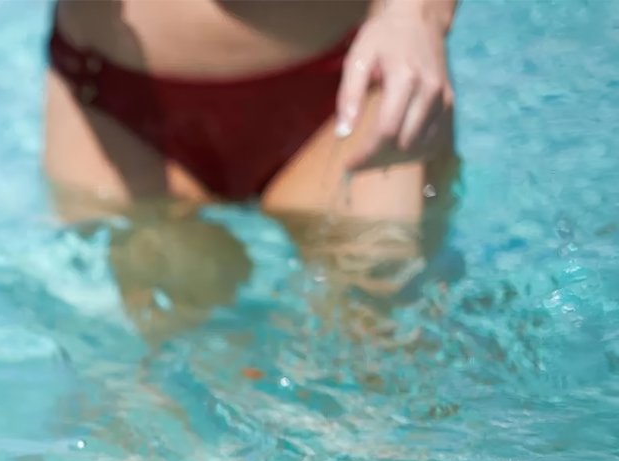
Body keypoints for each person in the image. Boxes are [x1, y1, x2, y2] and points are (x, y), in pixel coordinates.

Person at [41, 0, 459, 340]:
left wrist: (416, 14)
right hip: (117, 105)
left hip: (350, 84)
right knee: (144, 378)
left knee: (377, 347)